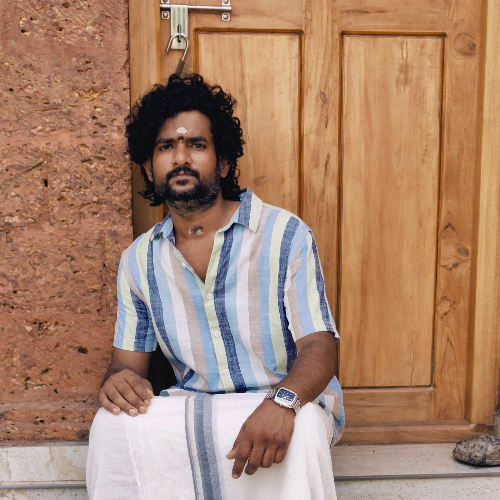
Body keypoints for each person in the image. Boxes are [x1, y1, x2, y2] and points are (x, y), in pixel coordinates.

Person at [86, 74, 344, 500]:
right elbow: (125, 367)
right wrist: (118, 383)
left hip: (287, 400)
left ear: (222, 162)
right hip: (194, 404)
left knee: (301, 432)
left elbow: (320, 347)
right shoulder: (138, 260)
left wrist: (282, 402)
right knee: (110, 426)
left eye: (196, 145)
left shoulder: (283, 234)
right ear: (149, 168)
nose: (180, 157)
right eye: (165, 147)